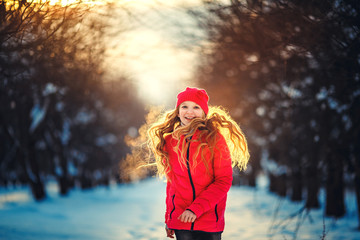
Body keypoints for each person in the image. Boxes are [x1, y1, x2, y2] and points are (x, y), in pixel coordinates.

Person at [147, 87, 250, 240]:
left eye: (196, 107)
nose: (190, 112)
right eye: (184, 106)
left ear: (204, 112)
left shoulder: (215, 140)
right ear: (178, 111)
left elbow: (223, 181)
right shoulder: (169, 141)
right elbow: (172, 185)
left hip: (209, 222)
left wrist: (195, 210)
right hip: (181, 220)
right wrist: (169, 218)